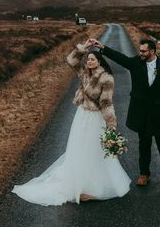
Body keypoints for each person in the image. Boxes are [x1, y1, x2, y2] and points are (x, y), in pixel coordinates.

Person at [11, 41, 130, 205]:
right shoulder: (85, 74)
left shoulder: (106, 78)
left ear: (100, 61)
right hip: (82, 115)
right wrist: (83, 48)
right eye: (88, 59)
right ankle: (78, 182)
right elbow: (71, 60)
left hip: (96, 118)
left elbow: (107, 103)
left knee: (93, 150)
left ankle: (93, 186)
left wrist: (111, 126)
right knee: (79, 148)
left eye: (93, 59)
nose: (89, 62)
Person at [89, 37, 160, 188]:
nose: (141, 53)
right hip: (142, 112)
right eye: (140, 50)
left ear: (152, 51)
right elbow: (120, 58)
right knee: (144, 144)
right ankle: (144, 174)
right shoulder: (136, 63)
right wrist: (103, 48)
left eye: (144, 51)